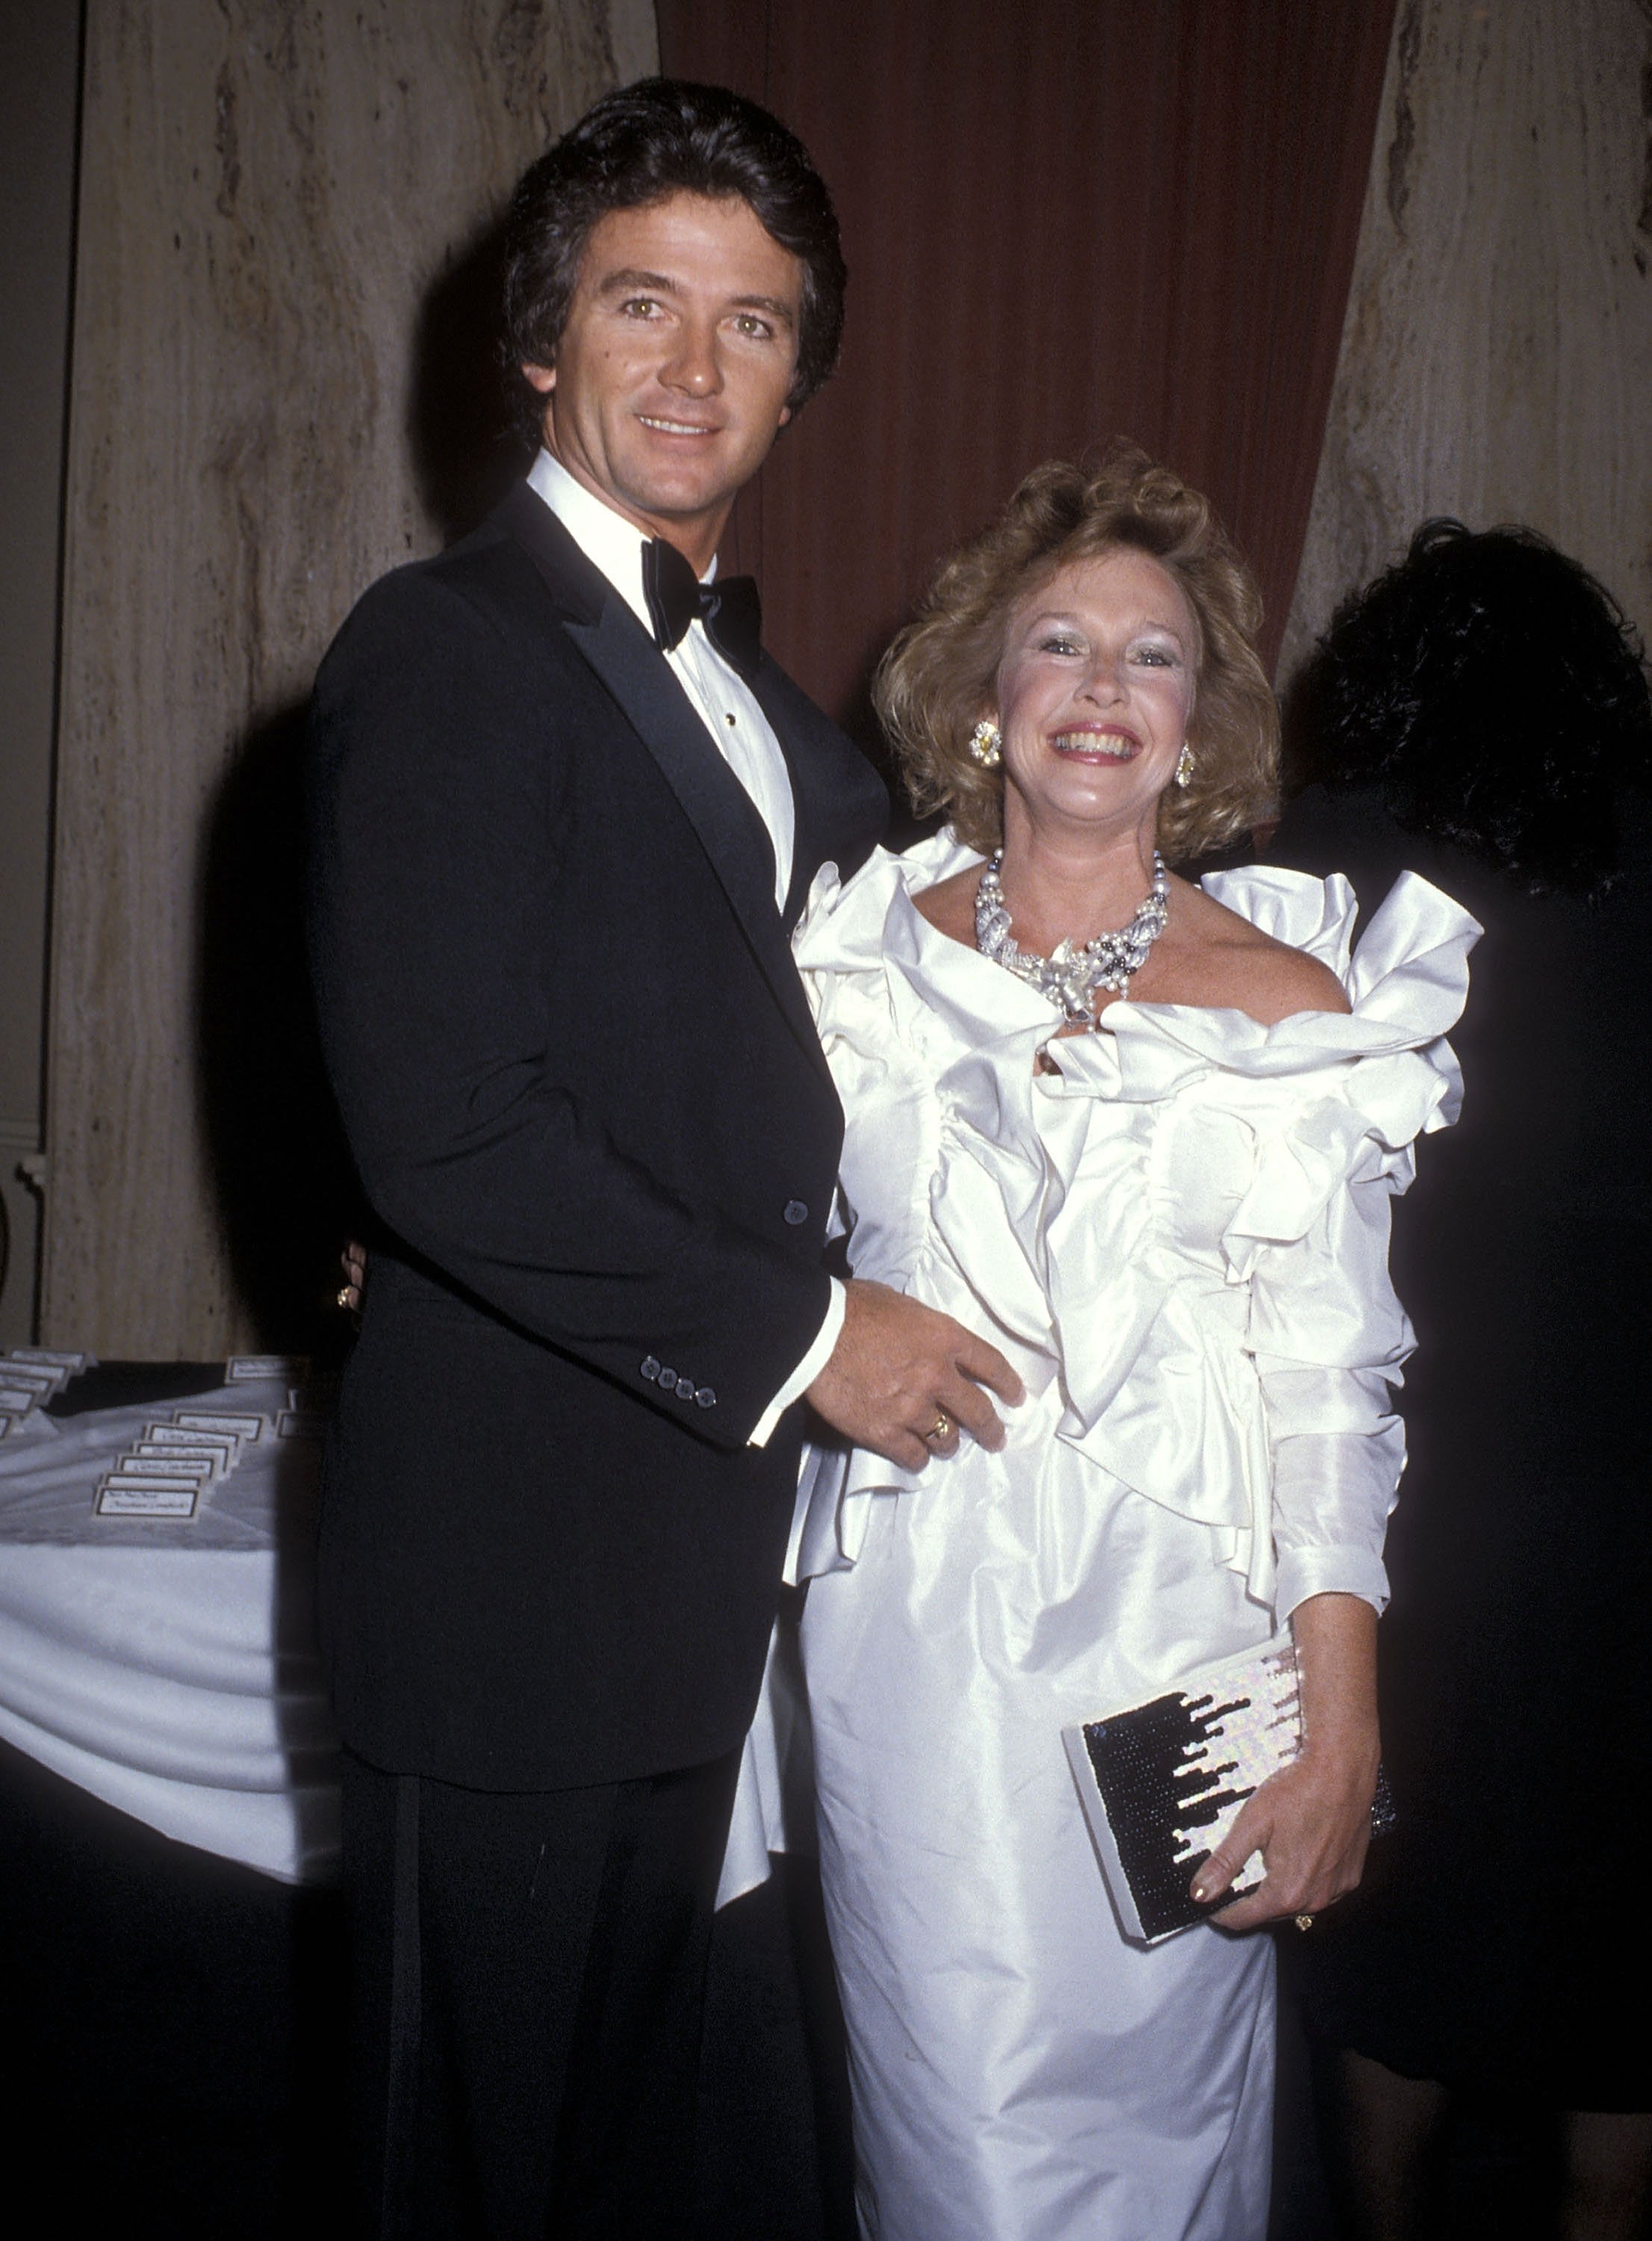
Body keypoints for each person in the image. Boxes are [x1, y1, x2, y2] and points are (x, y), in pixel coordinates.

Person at [305, 78, 1019, 2240]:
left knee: (619, 2158)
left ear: (802, 377)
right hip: (513, 1586)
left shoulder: (789, 726)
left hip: (700, 1580)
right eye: (644, 304)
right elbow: (444, 1130)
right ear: (540, 342)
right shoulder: (443, 649)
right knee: (479, 2172)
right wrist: (813, 1339)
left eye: (758, 322)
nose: (697, 367)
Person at [768, 447, 1476, 2239]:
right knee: (952, 2143)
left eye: (1150, 656)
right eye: (1058, 645)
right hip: (918, 1644)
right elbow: (720, 1224)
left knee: (1165, 2140)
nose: (1101, 687)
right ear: (984, 701)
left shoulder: (1290, 1002)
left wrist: (1341, 1726)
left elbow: (1327, 1387)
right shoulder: (854, 965)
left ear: (1196, 720)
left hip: (1179, 1649)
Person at [1267, 521, 1652, 2241]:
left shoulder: (1328, 891)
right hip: (1631, 1529)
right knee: (1616, 1969)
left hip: (1415, 1528)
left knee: (1397, 1945)